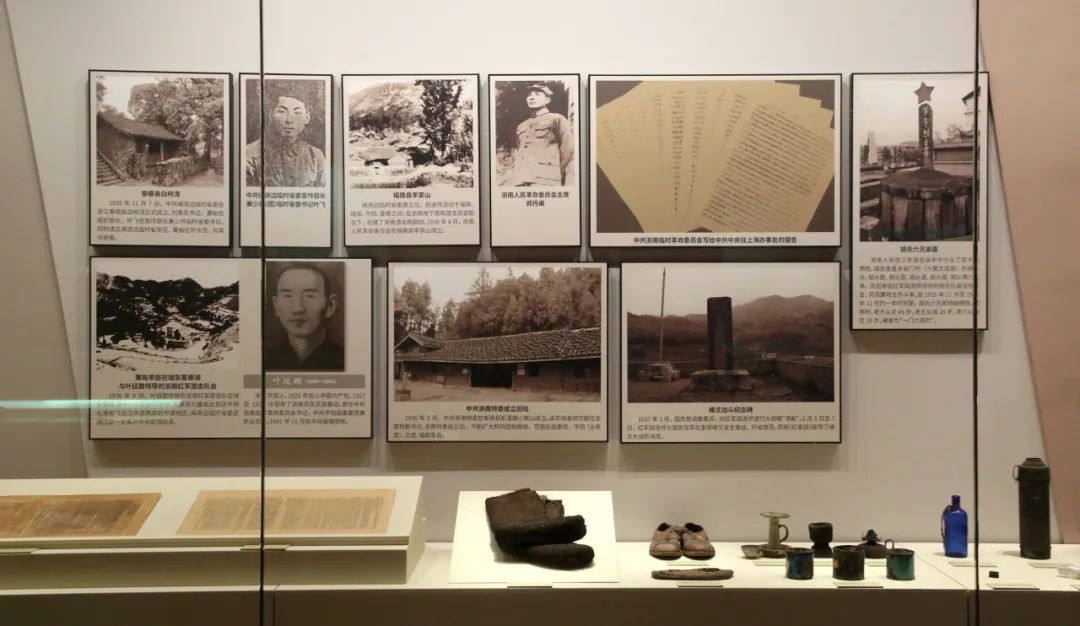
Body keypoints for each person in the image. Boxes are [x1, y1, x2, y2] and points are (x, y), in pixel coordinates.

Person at [266, 263, 344, 371]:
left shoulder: (346, 359)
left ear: (330, 305)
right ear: (276, 306)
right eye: (287, 296)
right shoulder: (265, 359)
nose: (297, 309)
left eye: (309, 296)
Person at [246, 93, 325, 187]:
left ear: (307, 118)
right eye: (282, 111)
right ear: (270, 115)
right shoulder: (249, 153)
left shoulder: (315, 155)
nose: (289, 120)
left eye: (297, 113)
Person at [511, 84, 574, 187]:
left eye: (537, 94)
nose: (531, 97)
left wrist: (555, 173)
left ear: (547, 100)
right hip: (521, 180)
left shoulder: (556, 119)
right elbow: (521, 150)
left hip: (546, 180)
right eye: (529, 95)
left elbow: (568, 149)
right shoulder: (522, 126)